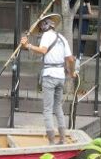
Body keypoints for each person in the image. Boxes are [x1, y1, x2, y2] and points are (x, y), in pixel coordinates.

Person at [21, 13, 76, 145]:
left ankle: (51, 141)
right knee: (57, 107)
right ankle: (62, 139)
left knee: (47, 109)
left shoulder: (46, 36)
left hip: (49, 75)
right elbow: (71, 59)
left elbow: (43, 50)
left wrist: (28, 45)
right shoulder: (62, 38)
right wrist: (72, 72)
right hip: (60, 76)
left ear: (43, 27)